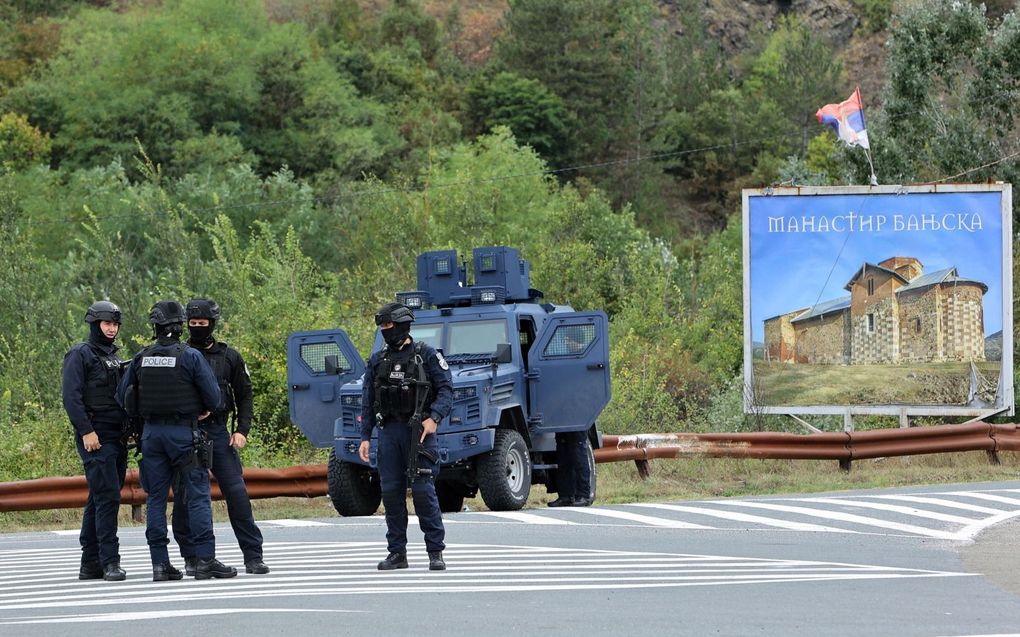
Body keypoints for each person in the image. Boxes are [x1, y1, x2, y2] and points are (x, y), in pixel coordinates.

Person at [117, 300, 235, 582]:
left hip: (152, 436)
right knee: (197, 496)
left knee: (155, 498)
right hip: (184, 433)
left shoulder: (141, 357)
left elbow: (123, 397)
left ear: (155, 326)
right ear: (179, 326)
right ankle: (205, 560)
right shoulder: (190, 356)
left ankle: (160, 564)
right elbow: (214, 398)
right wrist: (202, 408)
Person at [171, 298, 269, 576]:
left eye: (203, 324)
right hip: (188, 432)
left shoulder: (230, 357)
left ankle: (253, 556)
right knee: (185, 497)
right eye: (193, 324)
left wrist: (242, 431)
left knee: (237, 494)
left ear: (212, 324)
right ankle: (190, 557)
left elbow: (245, 395)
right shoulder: (179, 354)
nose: (198, 328)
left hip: (219, 431)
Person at [358, 302, 453, 571]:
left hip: (419, 433)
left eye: (388, 325)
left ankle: (435, 552)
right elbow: (368, 400)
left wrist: (433, 418)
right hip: (388, 433)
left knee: (423, 492)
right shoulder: (377, 360)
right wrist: (366, 437)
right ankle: (397, 553)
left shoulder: (427, 355)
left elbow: (446, 389)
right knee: (391, 494)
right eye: (382, 327)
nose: (385, 331)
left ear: (401, 325)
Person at [61, 300, 130, 581]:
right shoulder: (80, 355)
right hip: (95, 436)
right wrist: (86, 430)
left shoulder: (114, 356)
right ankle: (110, 561)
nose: (111, 329)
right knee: (108, 497)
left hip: (117, 435)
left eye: (115, 324)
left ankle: (90, 563)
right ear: (95, 324)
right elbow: (71, 398)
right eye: (107, 323)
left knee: (99, 497)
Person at [549, 326, 594, 508]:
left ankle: (583, 494)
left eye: (570, 340)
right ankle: (566, 495)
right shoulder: (563, 355)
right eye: (566, 339)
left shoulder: (586, 356)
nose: (567, 342)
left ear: (579, 341)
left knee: (578, 451)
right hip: (563, 412)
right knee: (563, 453)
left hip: (580, 412)